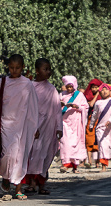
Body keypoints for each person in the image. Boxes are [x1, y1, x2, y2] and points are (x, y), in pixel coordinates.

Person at [0, 54, 39, 199]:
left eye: (17, 68)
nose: (14, 71)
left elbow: (33, 107)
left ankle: (18, 188)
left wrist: (36, 127)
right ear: (8, 67)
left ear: (22, 68)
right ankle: (6, 177)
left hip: (23, 125)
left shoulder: (27, 84)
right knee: (7, 155)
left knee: (20, 156)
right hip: (6, 124)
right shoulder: (1, 82)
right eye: (12, 68)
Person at [25, 59, 62, 194]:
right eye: (45, 69)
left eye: (49, 69)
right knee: (33, 153)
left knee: (45, 154)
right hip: (33, 126)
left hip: (48, 127)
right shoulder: (30, 87)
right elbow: (27, 107)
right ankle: (31, 182)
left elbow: (57, 109)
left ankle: (41, 184)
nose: (48, 72)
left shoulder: (52, 89)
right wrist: (31, 126)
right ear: (37, 70)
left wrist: (59, 128)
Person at [58, 75, 88, 173]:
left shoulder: (79, 95)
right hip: (64, 122)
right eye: (68, 87)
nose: (69, 89)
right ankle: (65, 164)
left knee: (75, 144)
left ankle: (75, 166)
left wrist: (77, 106)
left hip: (76, 123)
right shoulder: (61, 95)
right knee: (65, 143)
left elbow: (85, 107)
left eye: (71, 86)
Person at [89, 84, 111, 172]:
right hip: (100, 129)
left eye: (106, 89)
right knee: (102, 146)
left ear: (110, 91)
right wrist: (91, 125)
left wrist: (110, 120)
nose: (104, 91)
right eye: (102, 90)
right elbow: (94, 115)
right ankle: (104, 166)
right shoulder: (98, 103)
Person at [83, 78, 104, 168]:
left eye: (97, 87)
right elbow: (91, 104)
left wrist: (100, 93)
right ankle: (89, 160)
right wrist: (97, 95)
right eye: (93, 87)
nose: (94, 89)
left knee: (99, 140)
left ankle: (98, 162)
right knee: (89, 139)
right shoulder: (86, 96)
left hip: (100, 121)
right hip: (90, 119)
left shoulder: (104, 97)